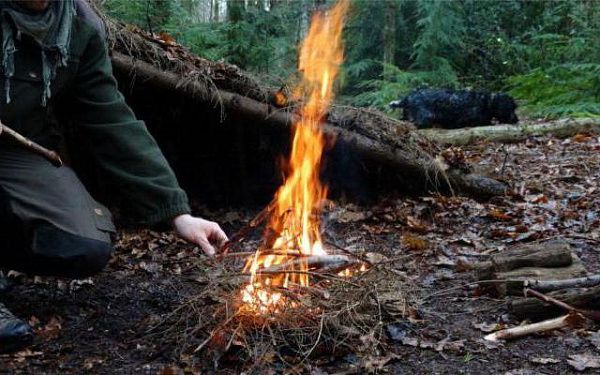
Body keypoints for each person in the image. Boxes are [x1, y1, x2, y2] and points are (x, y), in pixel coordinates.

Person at [0, 0, 228, 353]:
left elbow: (109, 119)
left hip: (17, 150)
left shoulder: (79, 25)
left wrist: (176, 213)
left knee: (83, 244)